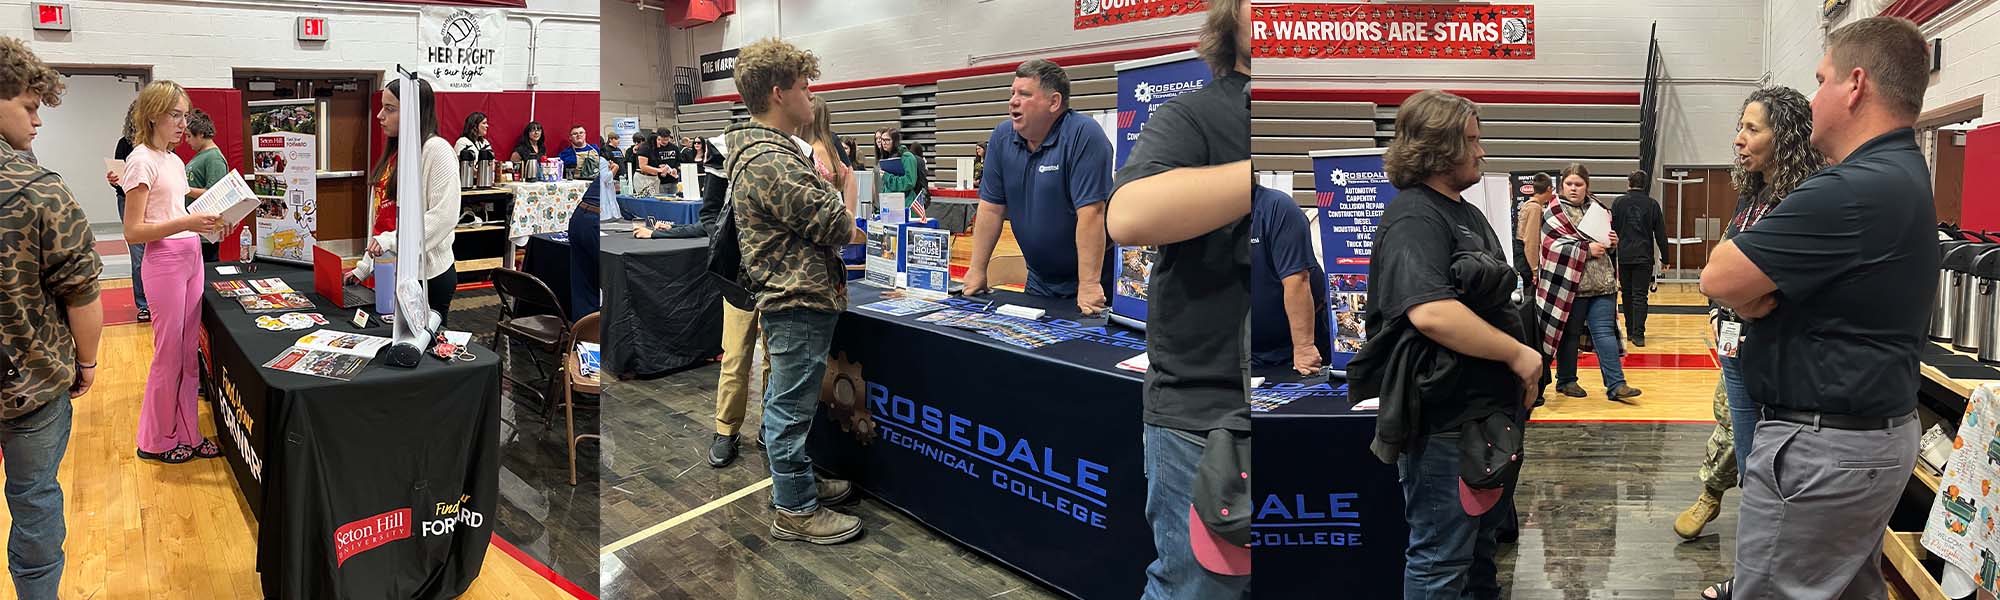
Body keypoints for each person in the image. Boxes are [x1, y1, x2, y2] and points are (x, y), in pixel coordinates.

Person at [1701, 17, 1933, 597]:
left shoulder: (1850, 188)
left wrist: (1750, 294)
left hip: (1826, 449)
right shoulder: (1900, 171)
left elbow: (1719, 276)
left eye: (1820, 77)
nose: (1813, 95)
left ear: (1855, 85)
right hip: (1864, 438)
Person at [1352, 90, 1540, 599]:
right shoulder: (1414, 217)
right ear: (1438, 147)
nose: (1482, 152)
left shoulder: (1466, 214)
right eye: (1473, 141)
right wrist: (1518, 354)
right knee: (1441, 559)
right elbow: (1431, 311)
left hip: (1485, 417)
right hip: (1445, 425)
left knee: (1479, 552)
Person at [1107, 2, 1252, 596]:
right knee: (1196, 586)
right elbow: (1129, 214)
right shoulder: (1195, 114)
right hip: (1205, 414)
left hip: (1282, 399)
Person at [725, 37, 865, 544]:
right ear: (780, 93)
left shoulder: (773, 154)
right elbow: (836, 224)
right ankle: (795, 510)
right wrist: (848, 201)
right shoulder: (773, 160)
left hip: (794, 296)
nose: (812, 97)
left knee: (792, 403)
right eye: (806, 88)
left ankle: (796, 484)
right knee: (789, 409)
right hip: (797, 299)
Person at [1678, 86, 1826, 550]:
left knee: (1771, 468)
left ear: (1784, 137)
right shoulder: (1754, 195)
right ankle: (1750, 555)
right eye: (1739, 127)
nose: (1739, 139)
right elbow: (1722, 264)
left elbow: (1773, 293)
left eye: (1751, 128)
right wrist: (1722, 302)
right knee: (1744, 449)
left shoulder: (1806, 198)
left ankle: (1764, 559)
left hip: (1781, 356)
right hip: (1737, 345)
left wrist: (1736, 293)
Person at [0, 36, 103, 598]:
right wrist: (86, 363)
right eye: (29, 106)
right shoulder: (40, 192)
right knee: (34, 497)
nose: (38, 120)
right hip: (31, 383)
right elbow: (82, 294)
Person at [121, 80, 223, 466]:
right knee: (167, 355)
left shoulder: (176, 161)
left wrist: (207, 224)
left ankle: (188, 433)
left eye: (184, 115)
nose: (183, 123)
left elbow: (175, 214)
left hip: (190, 256)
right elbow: (133, 231)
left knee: (187, 351)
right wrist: (189, 223)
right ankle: (155, 437)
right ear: (152, 116)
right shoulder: (141, 160)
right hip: (163, 262)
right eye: (174, 115)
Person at [966, 59, 1117, 313]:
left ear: (1054, 102)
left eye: (1024, 94)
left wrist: (1089, 284)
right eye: (1012, 93)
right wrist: (977, 269)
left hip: (1093, 280)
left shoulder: (1084, 135)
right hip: (1039, 280)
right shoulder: (1002, 138)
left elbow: (1091, 214)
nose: (1013, 101)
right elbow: (991, 209)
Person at [344, 77, 462, 325]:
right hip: (393, 272)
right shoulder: (396, 153)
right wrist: (364, 266)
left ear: (413, 113)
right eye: (382, 107)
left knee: (423, 351)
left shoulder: (437, 151)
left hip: (427, 277)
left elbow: (442, 218)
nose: (379, 116)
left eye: (390, 108)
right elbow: (380, 219)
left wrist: (389, 241)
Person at [1537, 163, 1642, 402]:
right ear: (1561, 186)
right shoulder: (1553, 212)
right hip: (1572, 287)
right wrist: (1584, 249)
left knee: (1604, 332)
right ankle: (1566, 381)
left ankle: (1616, 384)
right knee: (1569, 334)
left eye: (1579, 184)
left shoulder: (1598, 209)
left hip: (1602, 284)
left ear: (1587, 186)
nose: (1574, 189)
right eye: (1569, 184)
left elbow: (1604, 246)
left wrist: (1612, 242)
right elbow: (1551, 248)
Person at [1250, 184, 1326, 375]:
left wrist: (1304, 348)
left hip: (1290, 351)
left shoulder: (1276, 207)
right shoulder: (1208, 215)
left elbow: (1297, 281)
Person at [1611, 170, 1668, 346]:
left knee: (1626, 294)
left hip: (1625, 255)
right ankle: (1639, 335)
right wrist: (1665, 258)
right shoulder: (1652, 204)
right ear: (1645, 185)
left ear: (1629, 183)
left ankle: (1629, 330)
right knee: (1640, 296)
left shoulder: (1618, 203)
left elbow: (1611, 230)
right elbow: (1660, 234)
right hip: (1644, 256)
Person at [109, 106, 148, 323]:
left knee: (156, 251)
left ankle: (158, 299)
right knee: (138, 255)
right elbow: (119, 176)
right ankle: (144, 305)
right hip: (127, 199)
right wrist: (115, 180)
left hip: (152, 201)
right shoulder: (125, 143)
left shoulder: (162, 146)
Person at [183, 109, 227, 263]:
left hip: (205, 233)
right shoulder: (201, 155)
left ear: (201, 133)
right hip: (194, 228)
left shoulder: (214, 158)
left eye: (189, 136)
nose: (187, 141)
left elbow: (215, 193)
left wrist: (185, 189)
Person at [805, 97, 857, 214]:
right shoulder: (830, 142)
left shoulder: (810, 148)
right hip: (837, 209)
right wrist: (850, 215)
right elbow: (850, 177)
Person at [873, 127, 921, 208]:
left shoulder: (907, 157)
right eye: (882, 140)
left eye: (887, 140)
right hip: (889, 203)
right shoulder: (886, 157)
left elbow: (909, 182)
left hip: (905, 203)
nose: (884, 143)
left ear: (894, 141)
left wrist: (888, 177)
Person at [632, 128, 680, 195]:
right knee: (647, 198)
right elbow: (643, 166)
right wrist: (659, 170)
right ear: (653, 140)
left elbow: (656, 163)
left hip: (655, 178)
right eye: (658, 140)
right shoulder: (644, 148)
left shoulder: (656, 149)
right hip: (643, 178)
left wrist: (664, 168)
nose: (661, 142)